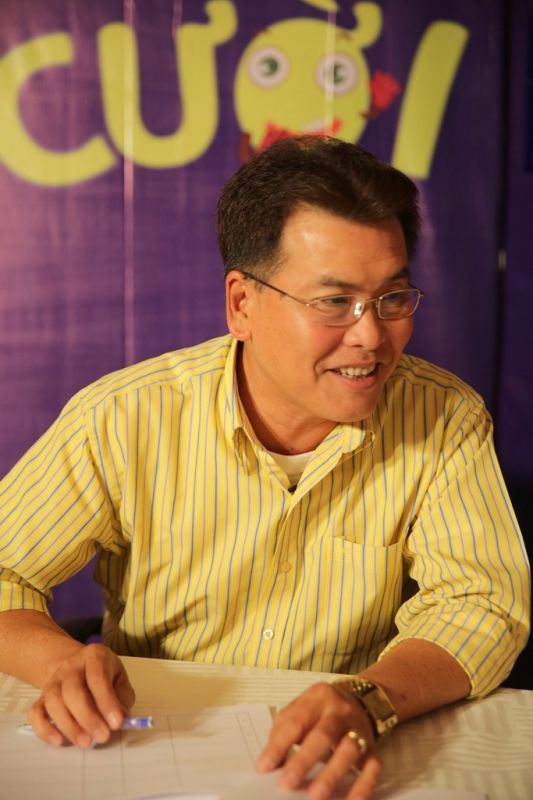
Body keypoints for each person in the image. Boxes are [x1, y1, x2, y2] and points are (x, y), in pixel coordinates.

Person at [0, 136, 529, 800]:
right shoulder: (124, 417)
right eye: (333, 302)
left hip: (337, 754)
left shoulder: (444, 417)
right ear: (241, 304)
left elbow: (480, 604)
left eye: (392, 297)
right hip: (153, 743)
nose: (371, 335)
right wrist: (59, 663)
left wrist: (370, 698)